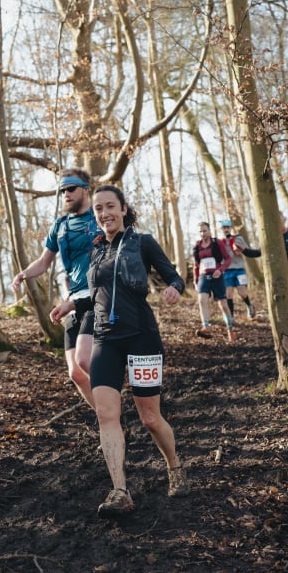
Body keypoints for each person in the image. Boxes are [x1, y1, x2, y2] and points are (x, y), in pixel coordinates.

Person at [50, 184, 188, 517]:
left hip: (141, 337)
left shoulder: (143, 242)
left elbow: (174, 276)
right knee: (106, 414)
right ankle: (120, 491)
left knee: (150, 418)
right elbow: (95, 294)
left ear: (123, 209)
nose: (104, 213)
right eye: (98, 208)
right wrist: (72, 303)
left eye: (110, 206)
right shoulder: (95, 250)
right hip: (105, 340)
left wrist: (174, 289)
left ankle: (175, 467)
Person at [12, 168, 100, 409]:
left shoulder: (100, 217)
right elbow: (43, 262)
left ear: (85, 189)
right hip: (72, 300)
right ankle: (108, 418)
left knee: (85, 360)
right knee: (76, 373)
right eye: (62, 191)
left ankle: (112, 408)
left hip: (98, 297)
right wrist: (23, 274)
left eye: (71, 189)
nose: (66, 194)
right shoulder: (60, 226)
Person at [191, 222, 236, 341]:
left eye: (204, 231)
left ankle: (230, 329)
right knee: (202, 300)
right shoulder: (197, 246)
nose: (202, 233)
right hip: (203, 276)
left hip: (217, 276)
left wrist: (220, 270)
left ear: (209, 231)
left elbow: (227, 259)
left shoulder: (217, 243)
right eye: (200, 231)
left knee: (223, 305)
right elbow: (195, 265)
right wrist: (195, 280)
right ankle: (206, 327)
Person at [218, 218, 260, 321]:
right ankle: (231, 316)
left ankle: (249, 305)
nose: (226, 229)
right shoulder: (219, 242)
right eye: (224, 228)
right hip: (227, 270)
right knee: (228, 293)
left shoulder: (238, 238)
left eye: (227, 227)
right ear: (221, 229)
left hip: (239, 269)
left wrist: (240, 250)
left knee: (242, 292)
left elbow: (247, 250)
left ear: (230, 228)